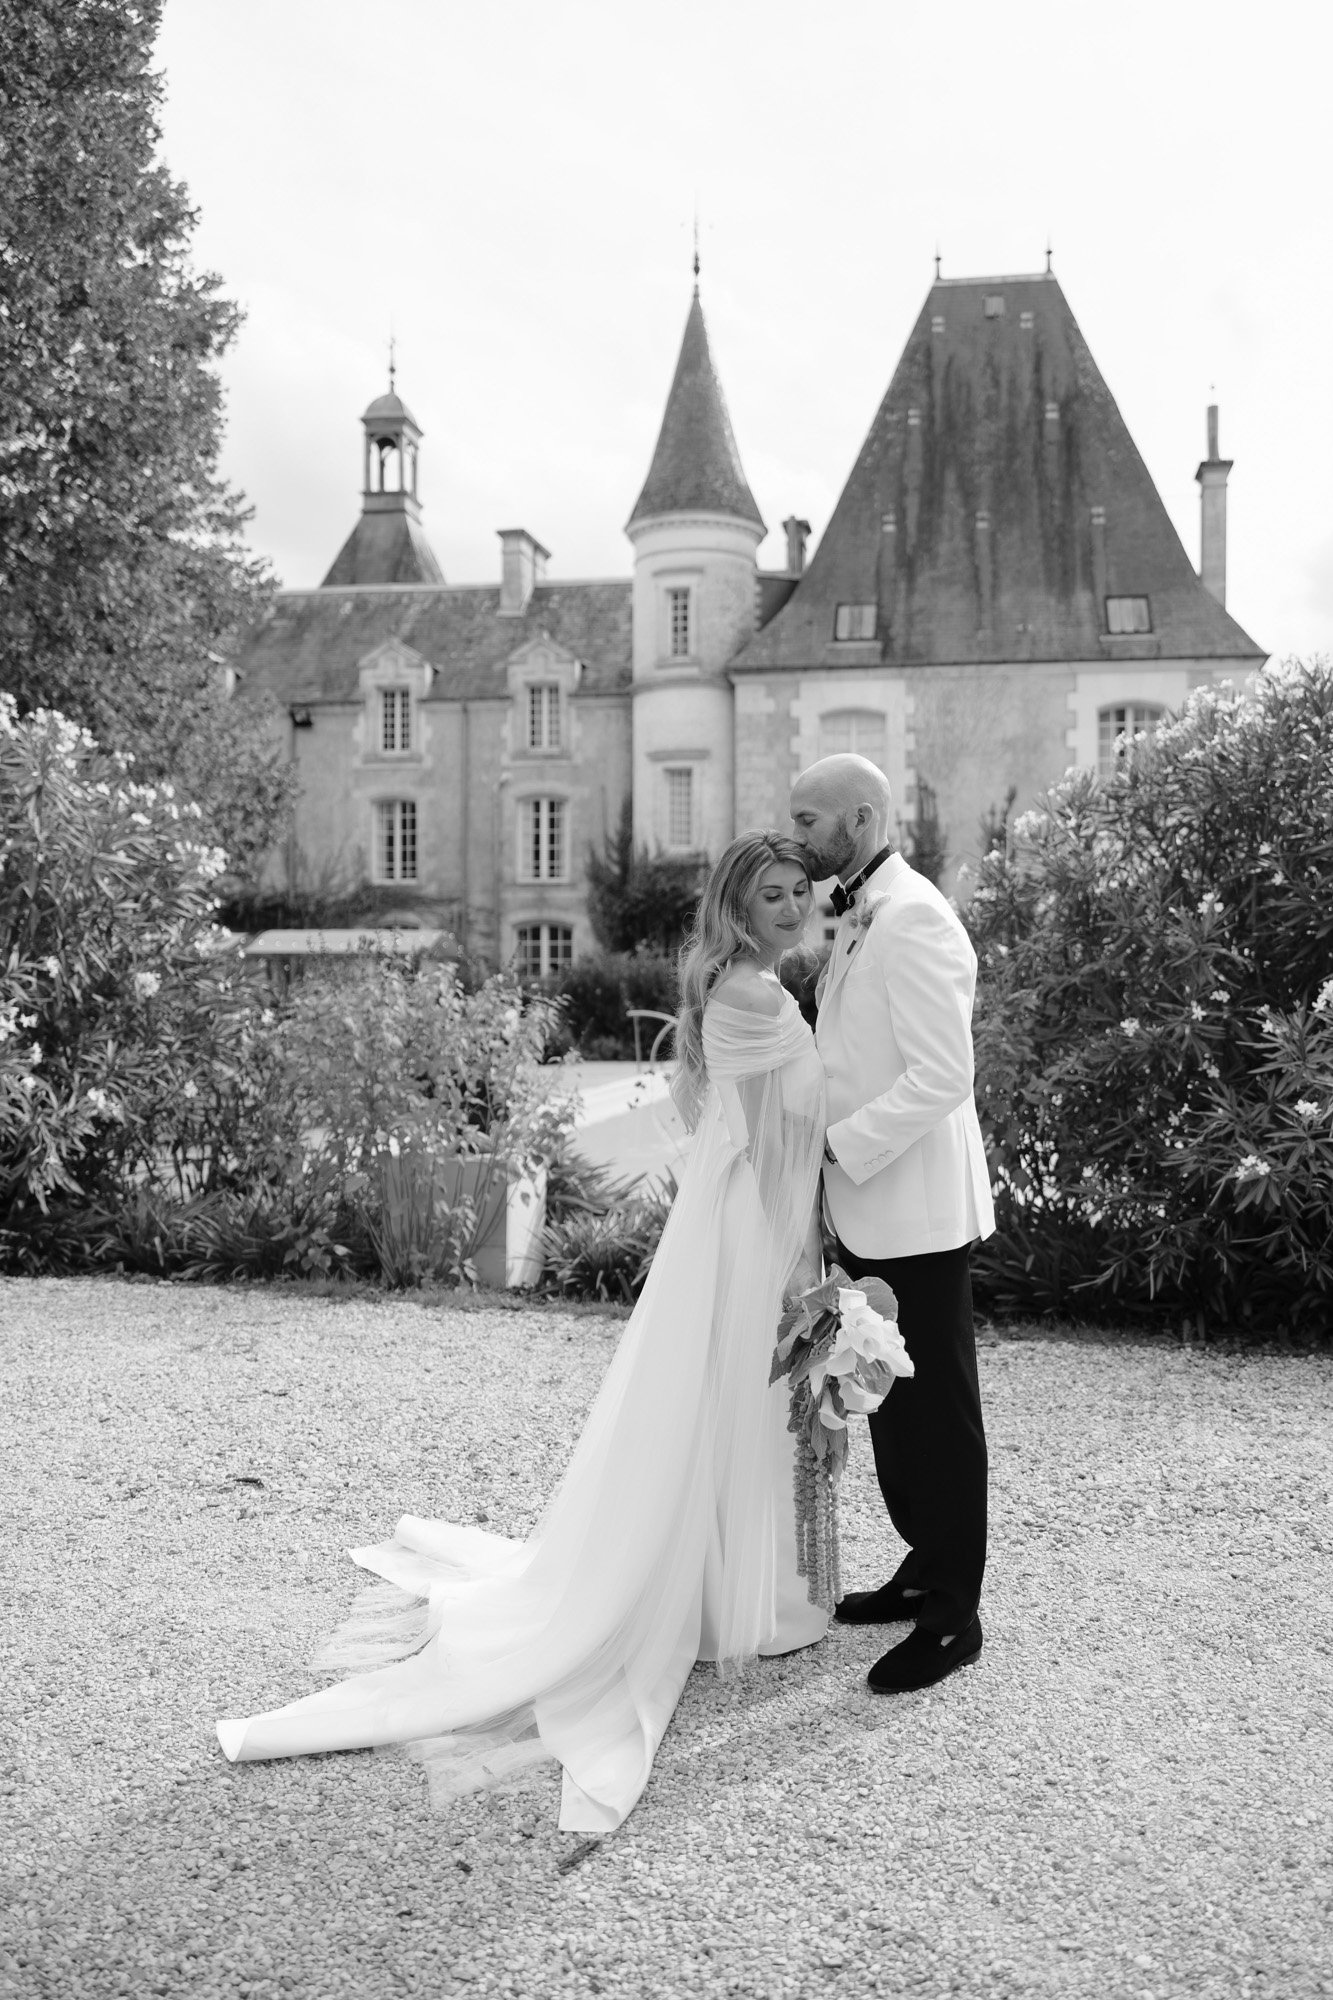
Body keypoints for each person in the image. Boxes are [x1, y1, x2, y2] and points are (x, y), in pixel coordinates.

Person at [216, 833, 830, 1832]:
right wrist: (797, 1259)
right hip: (748, 1224)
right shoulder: (751, 995)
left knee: (725, 1403)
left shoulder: (756, 980)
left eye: (801, 889)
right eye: (774, 892)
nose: (794, 905)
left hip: (740, 1217)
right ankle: (710, 1598)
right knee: (725, 1398)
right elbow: (763, 1142)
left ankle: (726, 1588)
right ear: (737, 905)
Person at [789, 755, 995, 1693]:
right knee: (890, 1403)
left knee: (938, 1415)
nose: (797, 837)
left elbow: (942, 1074)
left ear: (860, 820)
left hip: (914, 1207)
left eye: (808, 819)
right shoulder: (858, 911)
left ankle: (955, 1615)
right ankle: (922, 1568)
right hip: (871, 1208)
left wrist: (836, 1147)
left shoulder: (913, 918)